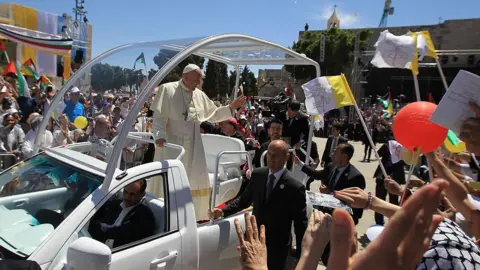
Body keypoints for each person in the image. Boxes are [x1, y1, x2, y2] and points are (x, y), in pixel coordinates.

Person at [151, 64, 246, 220]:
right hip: (173, 143)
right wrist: (160, 135)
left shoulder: (199, 94)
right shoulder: (167, 89)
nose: (198, 83)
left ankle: (191, 215)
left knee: (194, 179)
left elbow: (214, 114)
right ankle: (166, 214)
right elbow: (159, 117)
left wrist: (231, 107)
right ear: (185, 76)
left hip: (195, 144)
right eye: (196, 80)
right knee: (171, 178)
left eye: (199, 80)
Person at [211, 140, 308, 270]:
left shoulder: (295, 188)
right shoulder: (258, 175)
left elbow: (300, 225)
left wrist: (300, 256)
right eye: (269, 154)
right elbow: (243, 200)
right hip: (253, 242)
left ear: (286, 157)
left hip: (276, 249)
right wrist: (222, 212)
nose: (271, 158)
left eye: (276, 155)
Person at [296, 143, 366, 224]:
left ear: (344, 157)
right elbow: (318, 175)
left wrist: (330, 193)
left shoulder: (355, 177)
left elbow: (354, 205)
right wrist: (300, 164)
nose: (331, 154)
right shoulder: (331, 166)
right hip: (324, 214)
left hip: (340, 221)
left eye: (335, 152)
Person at [88, 179, 156, 248]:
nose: (127, 197)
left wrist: (102, 229)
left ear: (142, 195)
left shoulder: (144, 216)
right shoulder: (116, 204)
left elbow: (123, 235)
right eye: (125, 192)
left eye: (132, 194)